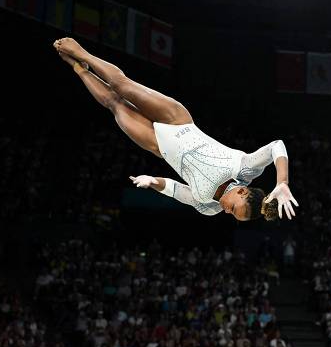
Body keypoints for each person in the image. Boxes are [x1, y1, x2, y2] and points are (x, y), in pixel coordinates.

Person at [53, 37, 298, 221]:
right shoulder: (244, 169)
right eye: (233, 208)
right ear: (243, 191)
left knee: (114, 105)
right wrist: (283, 182)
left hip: (159, 147)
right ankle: (82, 53)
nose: (227, 211)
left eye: (232, 214)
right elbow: (277, 146)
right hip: (177, 121)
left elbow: (175, 190)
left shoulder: (208, 207)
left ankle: (79, 69)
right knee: (122, 87)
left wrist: (153, 181)